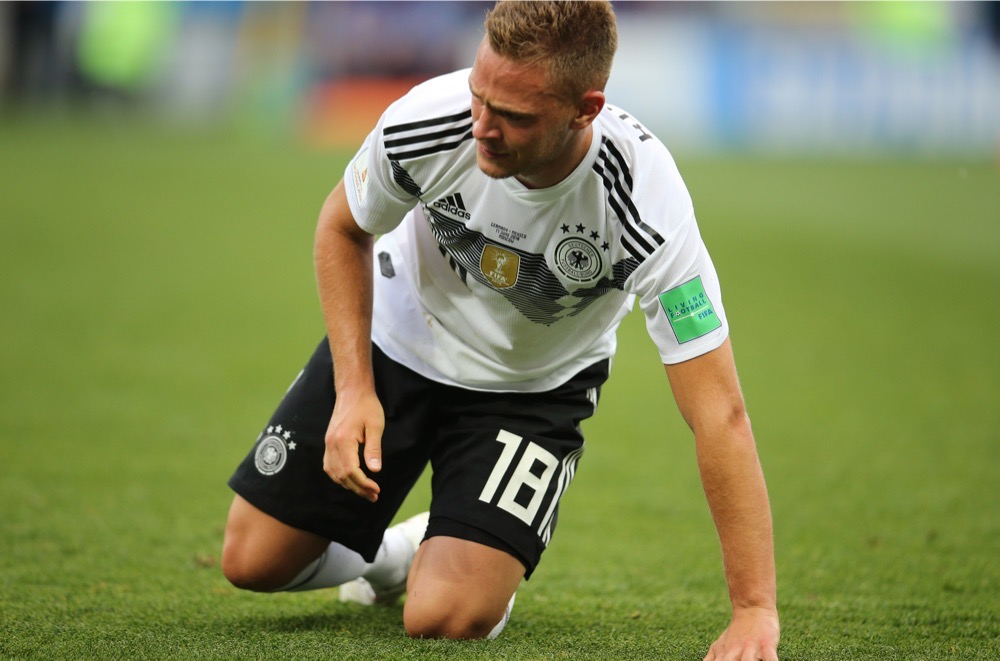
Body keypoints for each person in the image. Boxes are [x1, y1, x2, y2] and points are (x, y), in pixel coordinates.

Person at [221, 1, 779, 658]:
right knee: (252, 560)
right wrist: (354, 388)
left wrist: (753, 609)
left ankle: (465, 552)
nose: (482, 126)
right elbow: (343, 227)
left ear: (586, 109)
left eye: (514, 116)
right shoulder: (432, 118)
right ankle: (394, 555)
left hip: (533, 388)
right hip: (399, 342)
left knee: (446, 617)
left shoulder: (645, 204)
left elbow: (719, 411)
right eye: (480, 96)